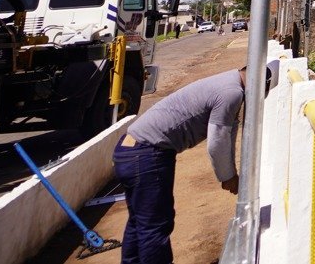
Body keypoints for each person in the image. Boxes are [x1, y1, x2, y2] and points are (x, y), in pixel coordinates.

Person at [112, 63, 275, 264]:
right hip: (147, 153)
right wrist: (228, 177)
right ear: (261, 85)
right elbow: (217, 141)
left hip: (129, 149)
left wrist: (230, 172)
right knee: (155, 225)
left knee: (140, 222)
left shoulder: (227, 81)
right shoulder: (231, 93)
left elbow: (228, 133)